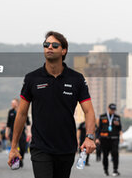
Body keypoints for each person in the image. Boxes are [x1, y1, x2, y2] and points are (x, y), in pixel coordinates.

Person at [8, 31, 96, 178]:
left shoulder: (77, 79)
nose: (49, 47)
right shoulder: (32, 78)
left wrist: (90, 137)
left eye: (54, 45)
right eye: (46, 45)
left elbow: (89, 111)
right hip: (40, 147)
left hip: (66, 148)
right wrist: (14, 147)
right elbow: (22, 113)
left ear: (64, 50)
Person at [97, 103, 123, 176]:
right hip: (104, 139)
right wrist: (97, 138)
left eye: (114, 110)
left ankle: (115, 170)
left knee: (115, 154)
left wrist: (121, 136)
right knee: (105, 155)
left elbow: (120, 128)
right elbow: (99, 129)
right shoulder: (102, 117)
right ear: (108, 109)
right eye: (112, 109)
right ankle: (106, 170)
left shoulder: (117, 117)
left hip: (114, 139)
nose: (113, 111)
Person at [5, 98, 31, 168]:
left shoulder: (22, 110)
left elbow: (28, 123)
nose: (12, 104)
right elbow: (8, 124)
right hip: (13, 133)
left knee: (22, 147)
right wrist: (6, 132)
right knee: (14, 147)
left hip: (21, 132)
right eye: (11, 103)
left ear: (17, 103)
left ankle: (21, 159)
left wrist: (29, 132)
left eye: (13, 103)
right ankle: (16, 163)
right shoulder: (10, 112)